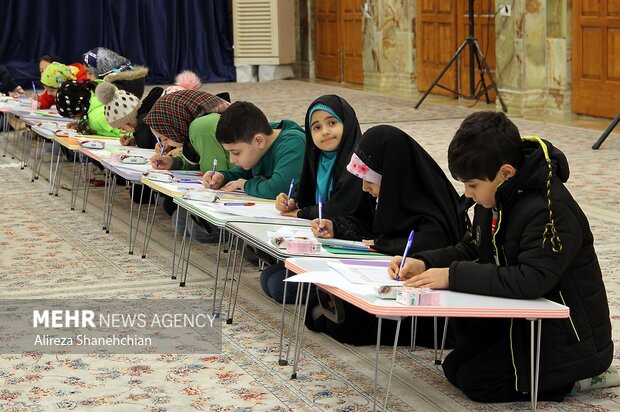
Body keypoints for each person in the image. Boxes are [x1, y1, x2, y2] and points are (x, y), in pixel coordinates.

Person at [389, 111, 614, 402]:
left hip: (571, 338)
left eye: (472, 185)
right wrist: (425, 261)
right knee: (455, 367)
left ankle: (583, 379)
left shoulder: (549, 210)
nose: (467, 194)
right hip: (521, 320)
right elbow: (472, 247)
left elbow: (530, 280)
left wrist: (452, 276)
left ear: (506, 172)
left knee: (478, 383)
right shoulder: (497, 195)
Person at [308, 124, 469, 346]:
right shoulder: (390, 190)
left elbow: (433, 242)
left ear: (390, 175)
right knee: (321, 301)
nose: (364, 188)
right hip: (388, 279)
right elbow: (371, 225)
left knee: (349, 324)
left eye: (369, 181)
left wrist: (384, 244)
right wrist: (335, 227)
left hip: (426, 294)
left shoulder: (427, 200)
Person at [260, 95, 374, 303]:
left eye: (332, 123)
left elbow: (339, 207)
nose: (325, 132)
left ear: (346, 123)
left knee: (278, 286)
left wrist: (302, 213)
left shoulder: (358, 161)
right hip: (323, 241)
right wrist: (292, 201)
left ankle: (341, 297)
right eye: (316, 127)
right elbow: (306, 192)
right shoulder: (317, 157)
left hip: (352, 243)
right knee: (267, 278)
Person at [143, 89, 232, 238]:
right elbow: (199, 158)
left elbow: (215, 173)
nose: (164, 144)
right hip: (233, 180)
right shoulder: (196, 125)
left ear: (175, 126)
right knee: (182, 221)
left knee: (194, 228)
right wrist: (174, 162)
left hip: (239, 186)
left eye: (164, 138)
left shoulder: (201, 126)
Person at [204, 101, 306, 199]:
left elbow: (279, 188)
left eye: (236, 153)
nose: (232, 160)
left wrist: (245, 185)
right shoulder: (258, 137)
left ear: (259, 141)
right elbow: (245, 172)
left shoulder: (293, 143)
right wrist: (223, 177)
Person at [55, 80, 128, 137]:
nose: (75, 119)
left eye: (73, 117)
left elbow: (124, 134)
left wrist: (90, 129)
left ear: (80, 109)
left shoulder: (94, 119)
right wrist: (81, 125)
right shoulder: (99, 92)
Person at [82, 47, 148, 98]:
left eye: (90, 73)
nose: (87, 77)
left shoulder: (117, 88)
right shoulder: (124, 73)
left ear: (102, 69)